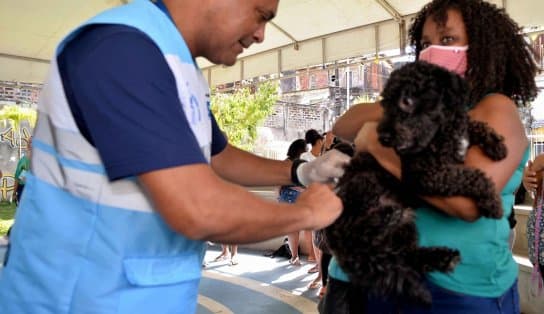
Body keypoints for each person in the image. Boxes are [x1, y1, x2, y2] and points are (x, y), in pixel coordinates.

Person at [0, 1, 351, 313]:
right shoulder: (122, 49)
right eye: (261, 15)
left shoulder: (177, 64)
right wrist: (306, 212)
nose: (261, 35)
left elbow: (218, 155)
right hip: (82, 297)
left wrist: (303, 171)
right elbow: (197, 207)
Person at [322, 0, 537, 313]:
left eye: (448, 40)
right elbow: (346, 123)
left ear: (484, 46)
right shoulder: (418, 103)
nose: (433, 51)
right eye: (425, 44)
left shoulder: (494, 108)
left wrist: (379, 146)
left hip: (451, 289)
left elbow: (468, 202)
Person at [278, 138, 307, 266]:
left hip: (288, 196)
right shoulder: (303, 163)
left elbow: (278, 183)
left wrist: (279, 197)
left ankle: (295, 256)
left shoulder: (286, 163)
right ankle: (295, 256)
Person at [13, 138, 31, 204]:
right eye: (29, 142)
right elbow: (17, 176)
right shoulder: (23, 158)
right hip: (23, 186)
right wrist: (14, 192)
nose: (29, 144)